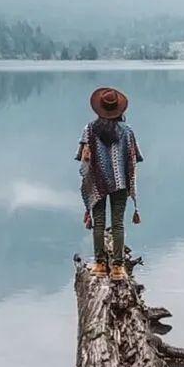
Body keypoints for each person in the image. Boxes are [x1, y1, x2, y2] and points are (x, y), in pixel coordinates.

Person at [77, 87, 143, 279]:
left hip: (97, 182)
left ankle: (99, 264)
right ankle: (118, 268)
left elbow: (83, 159)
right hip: (121, 183)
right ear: (119, 110)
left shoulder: (89, 130)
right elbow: (134, 158)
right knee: (118, 224)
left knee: (98, 222)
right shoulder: (127, 132)